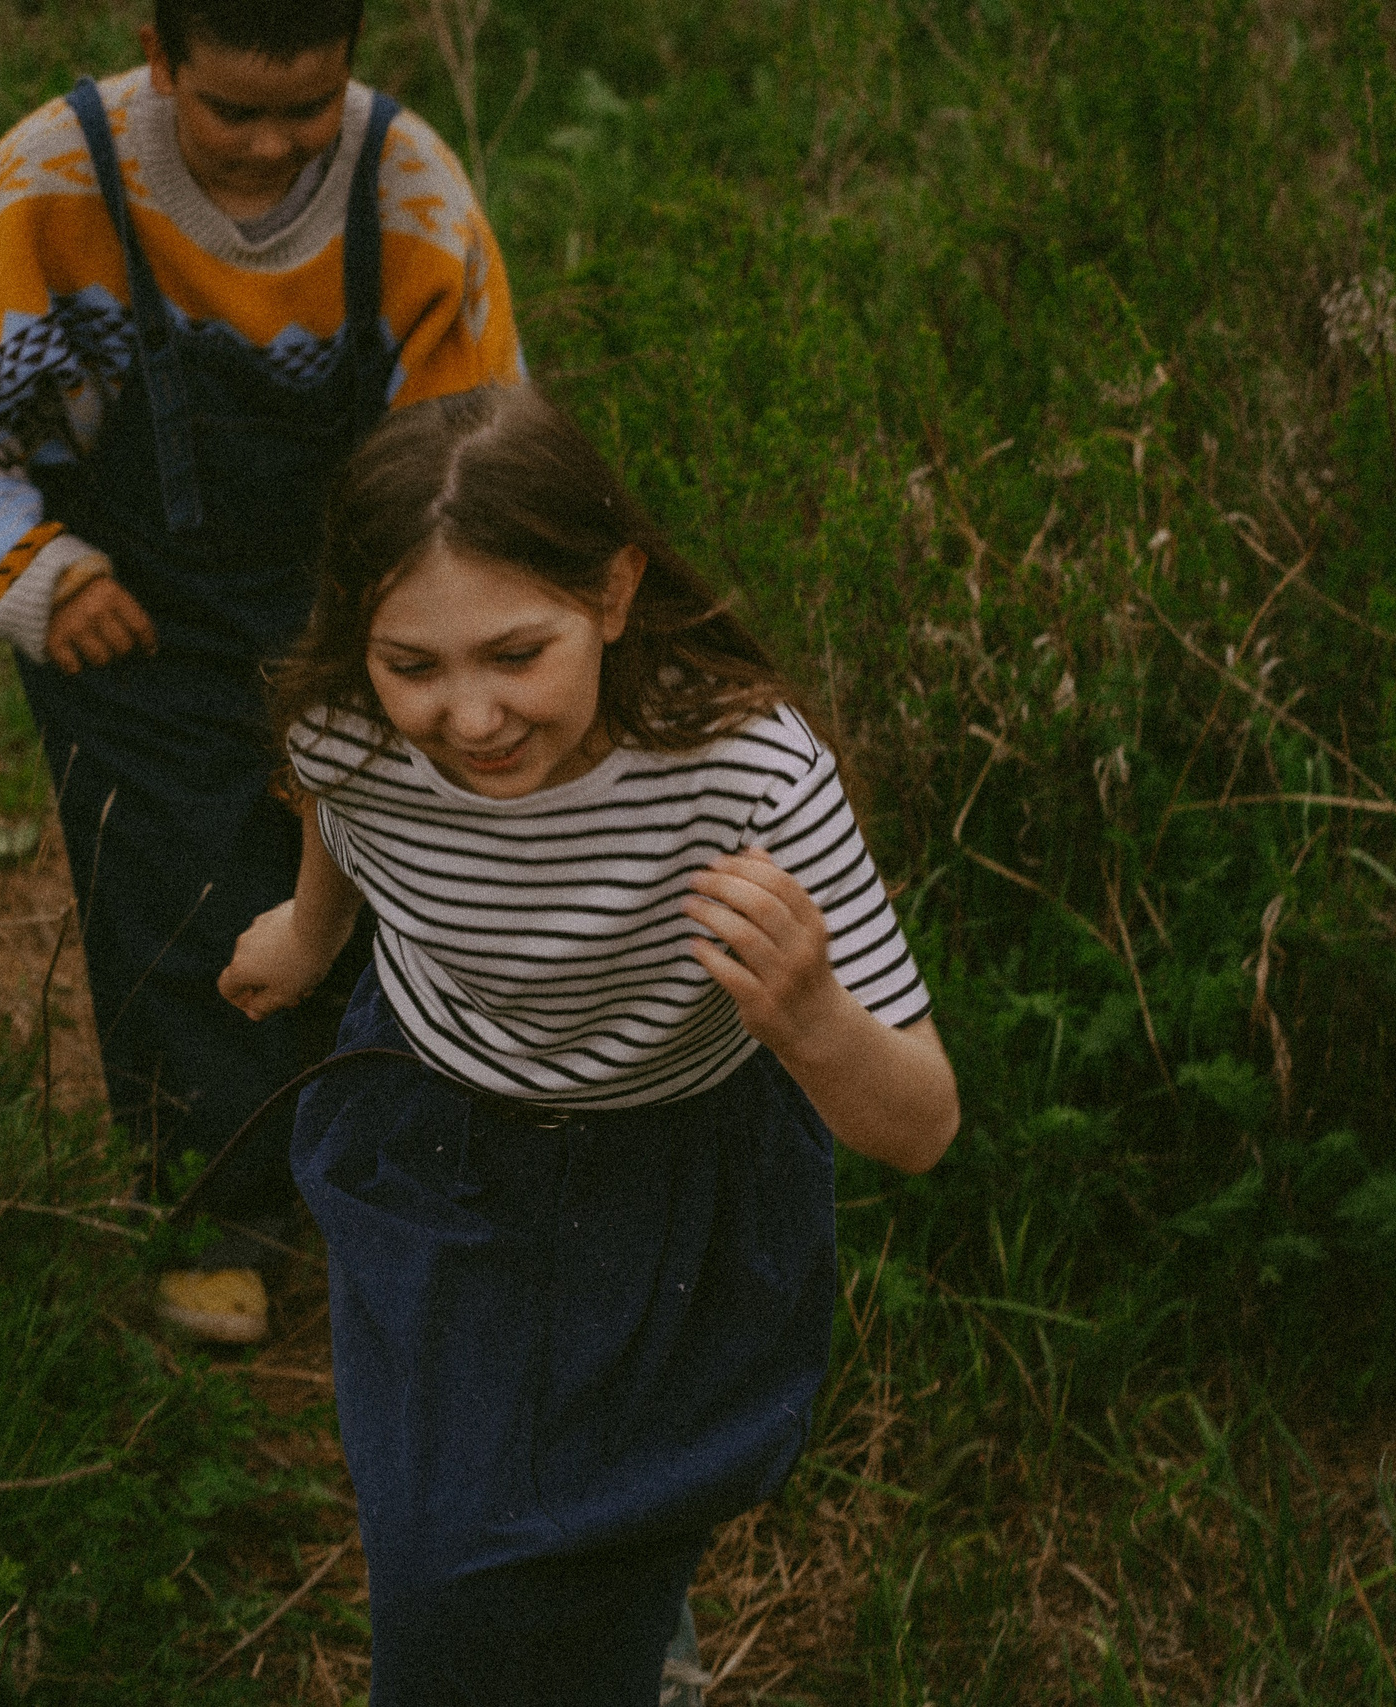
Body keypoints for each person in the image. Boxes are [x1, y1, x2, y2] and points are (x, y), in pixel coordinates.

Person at [218, 386, 960, 1704]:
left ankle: (634, 1636)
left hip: (678, 1172)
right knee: (444, 1564)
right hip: (437, 1138)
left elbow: (921, 1125)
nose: (469, 718)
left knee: (612, 1518)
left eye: (517, 654)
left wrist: (812, 1020)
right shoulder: (345, 721)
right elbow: (337, 797)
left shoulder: (745, 774)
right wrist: (311, 933)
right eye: (414, 666)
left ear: (613, 595)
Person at [0, 0, 523, 1342]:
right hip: (130, 623)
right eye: (233, 111)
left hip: (356, 610)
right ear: (160, 59)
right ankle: (215, 1223)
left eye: (308, 108)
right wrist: (36, 572)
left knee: (384, 880)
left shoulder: (407, 191)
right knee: (174, 897)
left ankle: (388, 1196)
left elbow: (476, 437)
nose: (275, 145)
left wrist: (425, 630)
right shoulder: (52, 181)